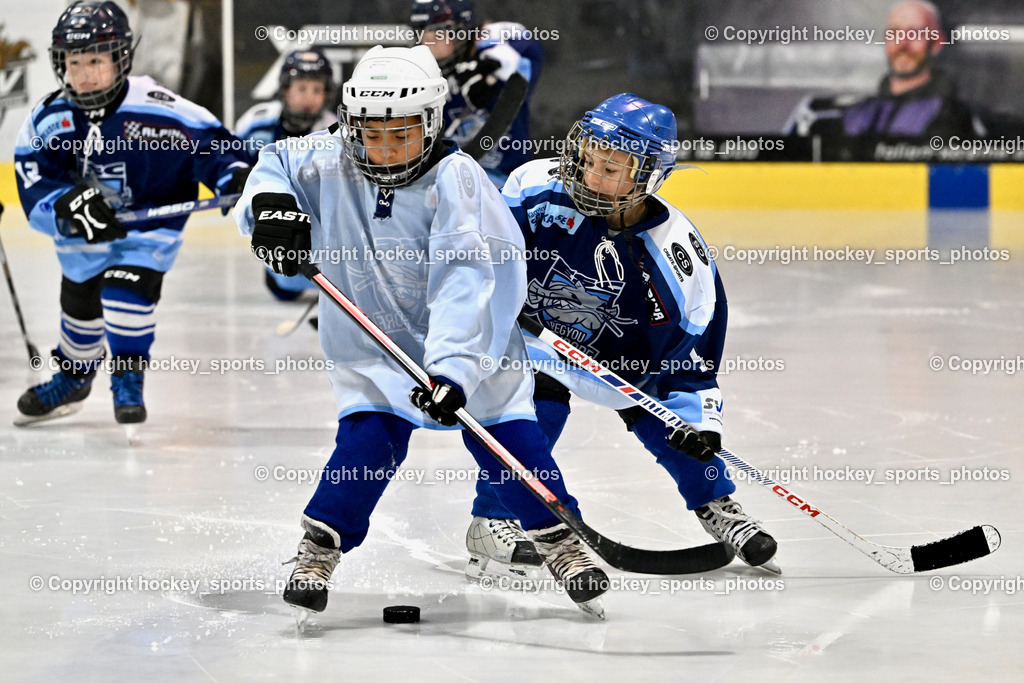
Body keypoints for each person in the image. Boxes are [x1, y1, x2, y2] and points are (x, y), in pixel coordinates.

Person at [234, 45, 610, 619]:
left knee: (510, 441)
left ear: (432, 123)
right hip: (372, 342)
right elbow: (274, 164)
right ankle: (319, 547)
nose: (383, 149)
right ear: (350, 124)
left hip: (472, 343)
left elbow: (466, 282)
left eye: (401, 135)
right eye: (371, 134)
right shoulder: (328, 157)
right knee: (365, 444)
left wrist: (453, 370)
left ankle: (557, 540)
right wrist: (273, 208)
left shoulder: (456, 180)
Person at [463, 93, 781, 577]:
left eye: (611, 170)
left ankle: (715, 501)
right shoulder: (533, 184)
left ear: (648, 176)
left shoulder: (677, 256)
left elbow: (691, 358)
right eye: (588, 160)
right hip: (535, 340)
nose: (591, 176)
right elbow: (489, 257)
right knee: (526, 407)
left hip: (623, 358)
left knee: (672, 424)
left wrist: (704, 424)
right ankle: (493, 518)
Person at [14, 1, 249, 426]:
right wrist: (66, 205)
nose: (83, 73)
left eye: (95, 61)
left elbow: (213, 144)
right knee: (79, 311)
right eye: (74, 61)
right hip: (84, 238)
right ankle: (74, 376)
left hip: (148, 231)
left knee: (125, 296)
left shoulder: (158, 107)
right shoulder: (51, 118)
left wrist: (232, 176)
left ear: (121, 58)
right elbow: (32, 182)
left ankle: (127, 379)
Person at [786, 0, 980, 158]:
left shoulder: (955, 117)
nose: (902, 44)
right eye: (895, 33)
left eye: (915, 33)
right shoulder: (854, 112)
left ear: (937, 43)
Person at [235, 49, 338, 301]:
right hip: (276, 220)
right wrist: (241, 180)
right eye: (301, 88)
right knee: (284, 287)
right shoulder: (255, 123)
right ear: (284, 89)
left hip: (318, 224)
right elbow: (232, 163)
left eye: (316, 90)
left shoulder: (333, 132)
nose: (309, 98)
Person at [410, 0, 542, 185]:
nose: (426, 43)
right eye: (422, 33)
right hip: (451, 184)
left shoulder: (494, 60)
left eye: (438, 33)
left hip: (509, 183)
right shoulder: (421, 76)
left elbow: (529, 49)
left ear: (462, 32)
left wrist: (492, 47)